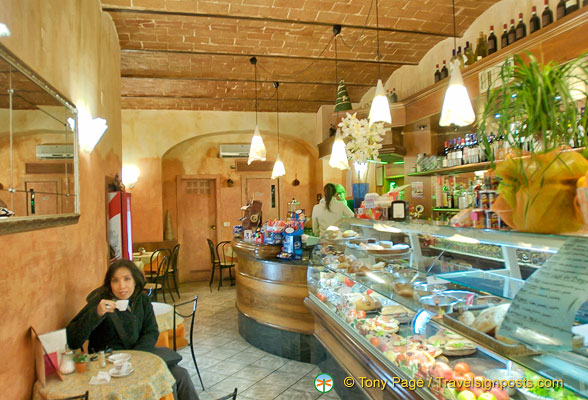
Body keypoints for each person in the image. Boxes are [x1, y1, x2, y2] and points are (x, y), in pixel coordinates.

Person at [66, 259, 199, 400]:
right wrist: (97, 314)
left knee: (181, 375)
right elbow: (73, 340)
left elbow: (151, 331)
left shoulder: (142, 300)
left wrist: (137, 356)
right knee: (166, 384)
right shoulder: (100, 303)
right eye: (115, 280)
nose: (121, 286)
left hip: (139, 359)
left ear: (135, 280)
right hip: (111, 369)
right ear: (109, 284)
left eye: (127, 279)